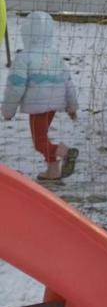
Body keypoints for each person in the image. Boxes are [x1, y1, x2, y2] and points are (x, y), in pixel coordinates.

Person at [1, 11, 79, 181]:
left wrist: (8, 111)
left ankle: (65, 152)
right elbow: (68, 82)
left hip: (38, 107)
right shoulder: (55, 56)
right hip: (54, 105)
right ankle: (53, 170)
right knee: (42, 137)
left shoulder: (24, 57)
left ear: (26, 32)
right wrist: (71, 107)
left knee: (39, 142)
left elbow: (15, 87)